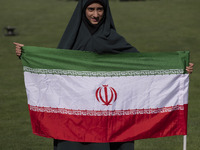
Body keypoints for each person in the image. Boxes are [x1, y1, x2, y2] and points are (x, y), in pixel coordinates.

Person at [14, 0, 194, 149]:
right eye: (91, 9)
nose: (95, 14)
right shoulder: (71, 39)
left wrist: (178, 69)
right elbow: (53, 71)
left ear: (106, 11)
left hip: (107, 117)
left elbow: (143, 68)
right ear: (83, 10)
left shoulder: (113, 39)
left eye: (100, 9)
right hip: (75, 116)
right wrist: (27, 54)